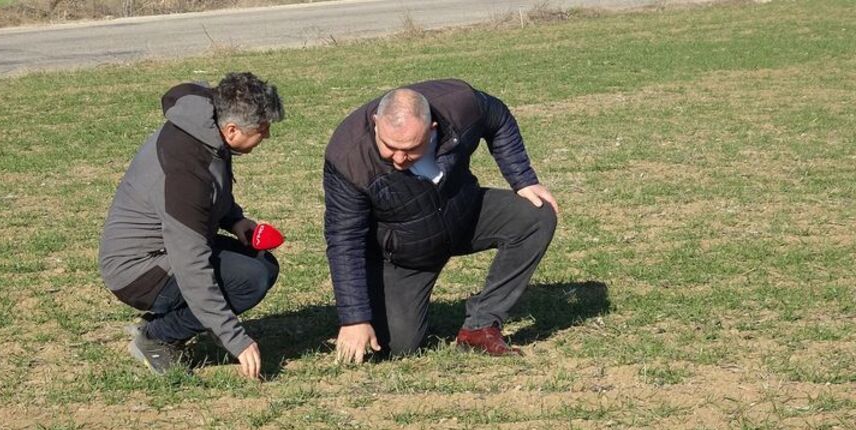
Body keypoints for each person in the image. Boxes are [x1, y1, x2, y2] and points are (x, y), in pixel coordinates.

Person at [323, 79, 558, 363]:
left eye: (411, 148)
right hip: (406, 253)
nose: (399, 158)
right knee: (400, 346)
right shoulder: (348, 155)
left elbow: (498, 117)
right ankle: (385, 297)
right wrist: (354, 318)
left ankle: (481, 325)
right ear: (375, 123)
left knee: (537, 213)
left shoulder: (460, 104)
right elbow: (344, 239)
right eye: (389, 146)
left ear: (432, 129)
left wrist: (523, 178)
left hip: (463, 213)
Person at [99, 72, 284, 379]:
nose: (266, 136)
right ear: (233, 130)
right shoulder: (184, 174)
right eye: (262, 130)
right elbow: (192, 267)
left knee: (262, 265)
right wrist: (234, 338)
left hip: (168, 248)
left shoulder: (207, 122)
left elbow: (214, 190)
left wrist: (234, 219)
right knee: (250, 280)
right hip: (138, 272)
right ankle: (157, 337)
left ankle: (173, 323)